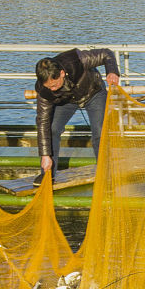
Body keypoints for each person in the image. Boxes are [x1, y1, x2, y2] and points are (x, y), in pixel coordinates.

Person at [32, 48, 120, 186]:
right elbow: (42, 121)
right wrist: (45, 155)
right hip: (67, 100)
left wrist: (112, 71)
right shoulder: (44, 90)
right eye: (49, 87)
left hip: (93, 92)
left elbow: (106, 54)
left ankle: (105, 170)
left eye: (54, 85)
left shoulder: (76, 60)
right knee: (53, 128)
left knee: (99, 131)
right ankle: (47, 174)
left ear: (61, 73)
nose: (52, 89)